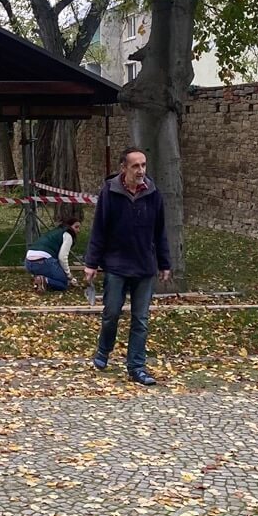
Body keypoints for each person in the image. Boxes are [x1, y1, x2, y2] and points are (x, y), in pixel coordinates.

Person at [84, 147, 172, 387]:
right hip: (116, 264)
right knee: (111, 313)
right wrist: (91, 263)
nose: (141, 170)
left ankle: (136, 366)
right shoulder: (110, 192)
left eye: (143, 165)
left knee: (140, 319)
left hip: (144, 266)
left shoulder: (153, 193)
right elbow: (99, 229)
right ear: (124, 168)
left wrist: (164, 263)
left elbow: (160, 230)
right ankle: (104, 350)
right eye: (136, 166)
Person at [25, 216, 81, 293]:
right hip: (43, 261)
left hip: (28, 262)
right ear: (69, 226)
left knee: (57, 273)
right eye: (76, 227)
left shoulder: (55, 231)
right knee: (63, 283)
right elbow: (62, 257)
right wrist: (69, 275)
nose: (78, 230)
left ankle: (38, 279)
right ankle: (44, 280)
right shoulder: (68, 235)